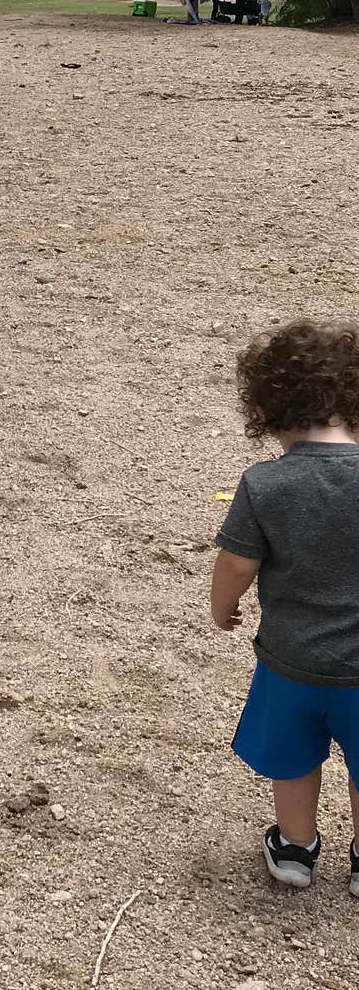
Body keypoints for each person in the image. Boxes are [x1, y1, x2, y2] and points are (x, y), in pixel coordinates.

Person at [211, 320, 359, 893]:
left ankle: (296, 850)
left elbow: (237, 565)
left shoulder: (265, 484)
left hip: (290, 661)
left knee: (294, 760)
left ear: (268, 412)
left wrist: (222, 606)